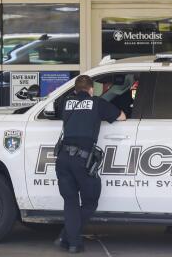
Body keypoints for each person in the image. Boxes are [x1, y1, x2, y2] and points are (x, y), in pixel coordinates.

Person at [54, 75, 126, 253]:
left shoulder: (65, 103)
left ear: (75, 90)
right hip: (82, 160)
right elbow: (122, 117)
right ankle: (68, 237)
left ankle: (71, 241)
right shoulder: (97, 103)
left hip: (63, 159)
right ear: (91, 89)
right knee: (91, 199)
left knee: (70, 200)